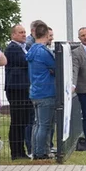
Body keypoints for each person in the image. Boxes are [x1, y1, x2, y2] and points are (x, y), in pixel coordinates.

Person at [26, 21, 56, 160]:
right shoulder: (43, 51)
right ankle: (40, 152)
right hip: (46, 91)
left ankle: (37, 150)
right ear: (44, 34)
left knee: (37, 124)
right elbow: (55, 67)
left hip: (35, 91)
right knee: (44, 124)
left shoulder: (32, 49)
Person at [4, 24, 32, 159]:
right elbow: (26, 62)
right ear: (13, 35)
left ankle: (21, 151)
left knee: (23, 121)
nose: (24, 34)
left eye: (24, 32)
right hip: (16, 89)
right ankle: (15, 152)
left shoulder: (25, 48)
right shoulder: (12, 49)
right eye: (20, 32)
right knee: (17, 121)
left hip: (25, 88)